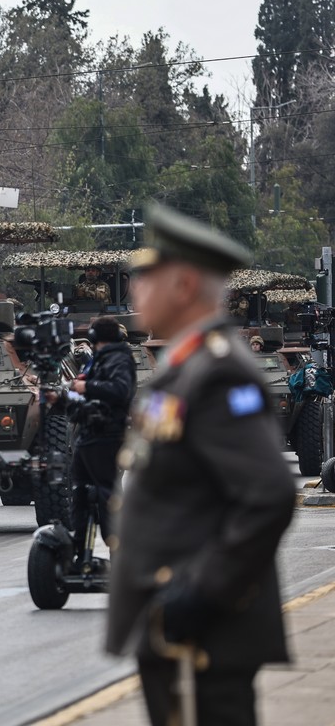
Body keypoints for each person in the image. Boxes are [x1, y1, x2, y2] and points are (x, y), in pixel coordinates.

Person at [106, 203, 296, 726]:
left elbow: (269, 494)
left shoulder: (218, 375)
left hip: (202, 631)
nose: (134, 288)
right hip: (178, 627)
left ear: (184, 284)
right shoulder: (185, 368)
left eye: (146, 275)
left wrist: (203, 589)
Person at [64, 316, 135, 566]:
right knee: (79, 492)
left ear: (96, 338)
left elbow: (120, 390)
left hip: (107, 434)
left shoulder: (120, 359)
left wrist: (88, 387)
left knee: (107, 494)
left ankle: (118, 552)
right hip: (87, 432)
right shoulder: (98, 360)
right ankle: (79, 547)